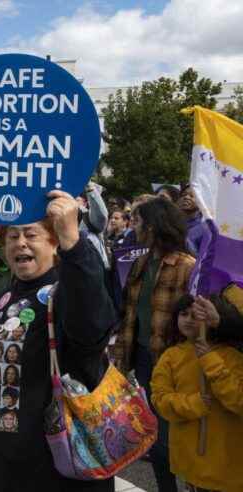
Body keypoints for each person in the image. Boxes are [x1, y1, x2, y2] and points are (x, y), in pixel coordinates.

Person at [0, 190, 117, 492]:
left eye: (31, 234)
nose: (20, 243)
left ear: (54, 243)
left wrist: (74, 242)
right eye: (12, 236)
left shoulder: (64, 292)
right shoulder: (6, 296)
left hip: (44, 471)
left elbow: (93, 329)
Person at [112, 197, 196, 492]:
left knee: (171, 438)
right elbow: (128, 314)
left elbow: (195, 319)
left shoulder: (187, 266)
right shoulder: (140, 263)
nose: (132, 225)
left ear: (153, 226)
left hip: (177, 363)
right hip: (145, 359)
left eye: (137, 220)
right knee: (157, 435)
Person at [151, 294, 243, 492]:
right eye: (184, 314)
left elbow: (238, 401)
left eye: (196, 315)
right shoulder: (170, 357)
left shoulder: (233, 357)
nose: (189, 320)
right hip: (192, 463)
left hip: (228, 466)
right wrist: (193, 404)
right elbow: (160, 399)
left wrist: (210, 361)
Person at [177, 184, 211, 257]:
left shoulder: (206, 228)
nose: (186, 197)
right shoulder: (170, 222)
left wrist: (180, 236)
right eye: (183, 195)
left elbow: (202, 259)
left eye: (192, 196)